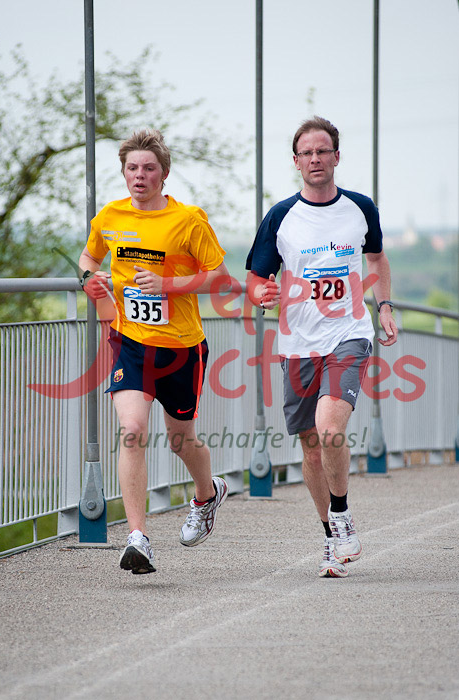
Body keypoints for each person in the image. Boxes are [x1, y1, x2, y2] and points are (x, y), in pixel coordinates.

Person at [246, 116, 398, 578]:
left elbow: (376, 258)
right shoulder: (280, 217)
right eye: (307, 153)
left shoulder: (360, 208)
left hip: (348, 334)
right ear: (296, 161)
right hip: (297, 344)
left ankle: (342, 511)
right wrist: (261, 294)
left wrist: (384, 305)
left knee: (330, 429)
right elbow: (255, 278)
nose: (315, 159)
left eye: (323, 151)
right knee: (311, 449)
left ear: (336, 156)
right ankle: (331, 537)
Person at [79, 129, 229, 575]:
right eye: (132, 168)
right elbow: (88, 259)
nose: (139, 175)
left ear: (164, 174)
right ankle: (138, 537)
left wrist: (168, 284)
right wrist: (89, 281)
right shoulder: (110, 216)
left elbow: (219, 276)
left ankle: (207, 494)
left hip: (182, 348)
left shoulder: (188, 220)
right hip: (131, 343)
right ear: (124, 172)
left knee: (181, 439)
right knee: (132, 429)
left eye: (148, 168)